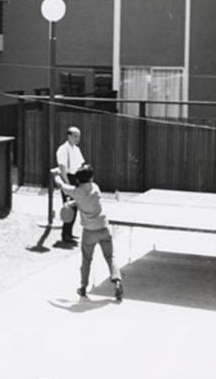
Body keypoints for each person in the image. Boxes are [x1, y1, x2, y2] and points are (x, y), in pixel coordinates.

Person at [53, 164, 123, 301]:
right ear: (91, 178)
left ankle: (83, 287)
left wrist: (56, 174)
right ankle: (117, 281)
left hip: (89, 232)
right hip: (103, 228)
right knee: (110, 257)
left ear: (78, 180)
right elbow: (86, 199)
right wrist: (73, 203)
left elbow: (61, 185)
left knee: (86, 260)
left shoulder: (76, 191)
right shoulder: (95, 188)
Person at [55, 126, 85, 244]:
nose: (78, 139)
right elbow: (62, 167)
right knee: (68, 207)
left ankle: (69, 232)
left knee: (75, 206)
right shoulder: (63, 149)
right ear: (69, 136)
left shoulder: (76, 149)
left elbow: (80, 164)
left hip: (76, 178)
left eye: (79, 136)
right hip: (68, 178)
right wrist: (67, 184)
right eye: (75, 136)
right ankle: (65, 234)